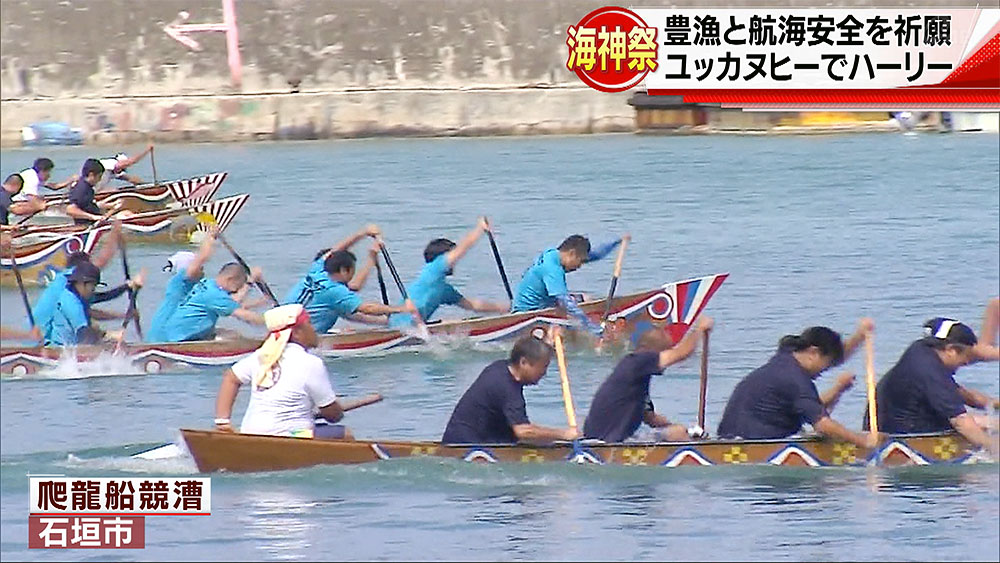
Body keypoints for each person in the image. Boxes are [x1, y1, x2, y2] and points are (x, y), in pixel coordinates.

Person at [716, 320, 879, 449]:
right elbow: (823, 425)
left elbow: (811, 407)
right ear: (813, 352)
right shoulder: (795, 380)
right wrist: (864, 442)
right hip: (751, 443)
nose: (826, 369)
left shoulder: (787, 355)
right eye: (826, 363)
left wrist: (859, 336)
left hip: (729, 435)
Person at [213, 304, 356, 439]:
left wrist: (222, 422)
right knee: (345, 434)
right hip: (291, 435)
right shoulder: (311, 363)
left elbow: (230, 378)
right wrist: (336, 412)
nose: (314, 329)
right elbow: (332, 415)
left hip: (251, 433)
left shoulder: (261, 356)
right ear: (297, 333)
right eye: (309, 323)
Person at [866, 318, 998, 454]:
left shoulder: (920, 349)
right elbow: (962, 422)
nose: (966, 362)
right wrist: (993, 448)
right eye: (966, 357)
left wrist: (994, 403)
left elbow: (960, 394)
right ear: (951, 350)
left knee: (984, 422)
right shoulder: (932, 373)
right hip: (905, 435)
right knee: (980, 424)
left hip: (887, 424)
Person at [583, 316, 714, 443]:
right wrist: (698, 328)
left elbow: (651, 418)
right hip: (606, 442)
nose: (666, 356)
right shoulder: (639, 361)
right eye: (664, 351)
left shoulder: (636, 375)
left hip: (605, 438)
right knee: (677, 433)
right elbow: (681, 353)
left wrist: (686, 430)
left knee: (677, 431)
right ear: (649, 350)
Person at [442, 334, 581, 444]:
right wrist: (564, 435)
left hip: (476, 438)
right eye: (543, 367)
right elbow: (523, 431)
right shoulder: (505, 387)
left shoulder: (501, 368)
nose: (544, 373)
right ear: (524, 363)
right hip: (465, 444)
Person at [283, 225, 413, 331]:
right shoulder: (334, 290)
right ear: (344, 270)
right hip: (301, 337)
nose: (352, 276)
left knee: (346, 311)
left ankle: (386, 324)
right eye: (352, 271)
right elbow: (367, 308)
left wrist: (363, 233)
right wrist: (401, 309)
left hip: (281, 325)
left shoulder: (318, 270)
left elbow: (336, 251)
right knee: (348, 310)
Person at [388, 217, 508, 328]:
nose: (454, 264)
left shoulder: (444, 289)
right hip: (401, 328)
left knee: (456, 322)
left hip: (415, 327)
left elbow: (473, 305)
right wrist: (480, 228)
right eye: (451, 257)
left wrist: (505, 308)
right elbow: (462, 248)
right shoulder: (433, 269)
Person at [511, 233, 627, 335]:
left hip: (544, 299)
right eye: (580, 261)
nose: (580, 266)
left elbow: (596, 255)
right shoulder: (553, 270)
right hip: (531, 312)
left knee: (586, 298)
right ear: (572, 254)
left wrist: (617, 242)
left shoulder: (553, 253)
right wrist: (591, 327)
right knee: (571, 309)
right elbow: (566, 302)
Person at [160, 261, 266, 342]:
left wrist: (250, 281)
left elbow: (230, 303)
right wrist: (275, 321)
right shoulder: (215, 295)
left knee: (231, 334)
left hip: (177, 331)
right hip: (183, 337)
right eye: (238, 286)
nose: (237, 290)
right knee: (233, 338)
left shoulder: (208, 283)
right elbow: (245, 315)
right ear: (230, 280)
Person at [146, 229, 218, 342]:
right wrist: (211, 237)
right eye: (200, 267)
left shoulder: (193, 286)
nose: (203, 269)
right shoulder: (180, 281)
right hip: (164, 336)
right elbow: (203, 257)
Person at [42, 261, 125, 346]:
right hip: (60, 349)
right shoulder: (71, 303)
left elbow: (105, 296)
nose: (94, 289)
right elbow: (84, 334)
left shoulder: (80, 294)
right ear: (82, 284)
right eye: (93, 286)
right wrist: (109, 334)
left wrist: (127, 286)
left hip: (74, 346)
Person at [66, 159, 126, 225]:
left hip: (95, 221)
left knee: (126, 213)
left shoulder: (88, 187)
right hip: (89, 225)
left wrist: (112, 205)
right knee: (125, 216)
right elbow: (70, 210)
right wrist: (94, 217)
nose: (100, 180)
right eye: (99, 177)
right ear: (91, 175)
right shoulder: (82, 189)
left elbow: (88, 205)